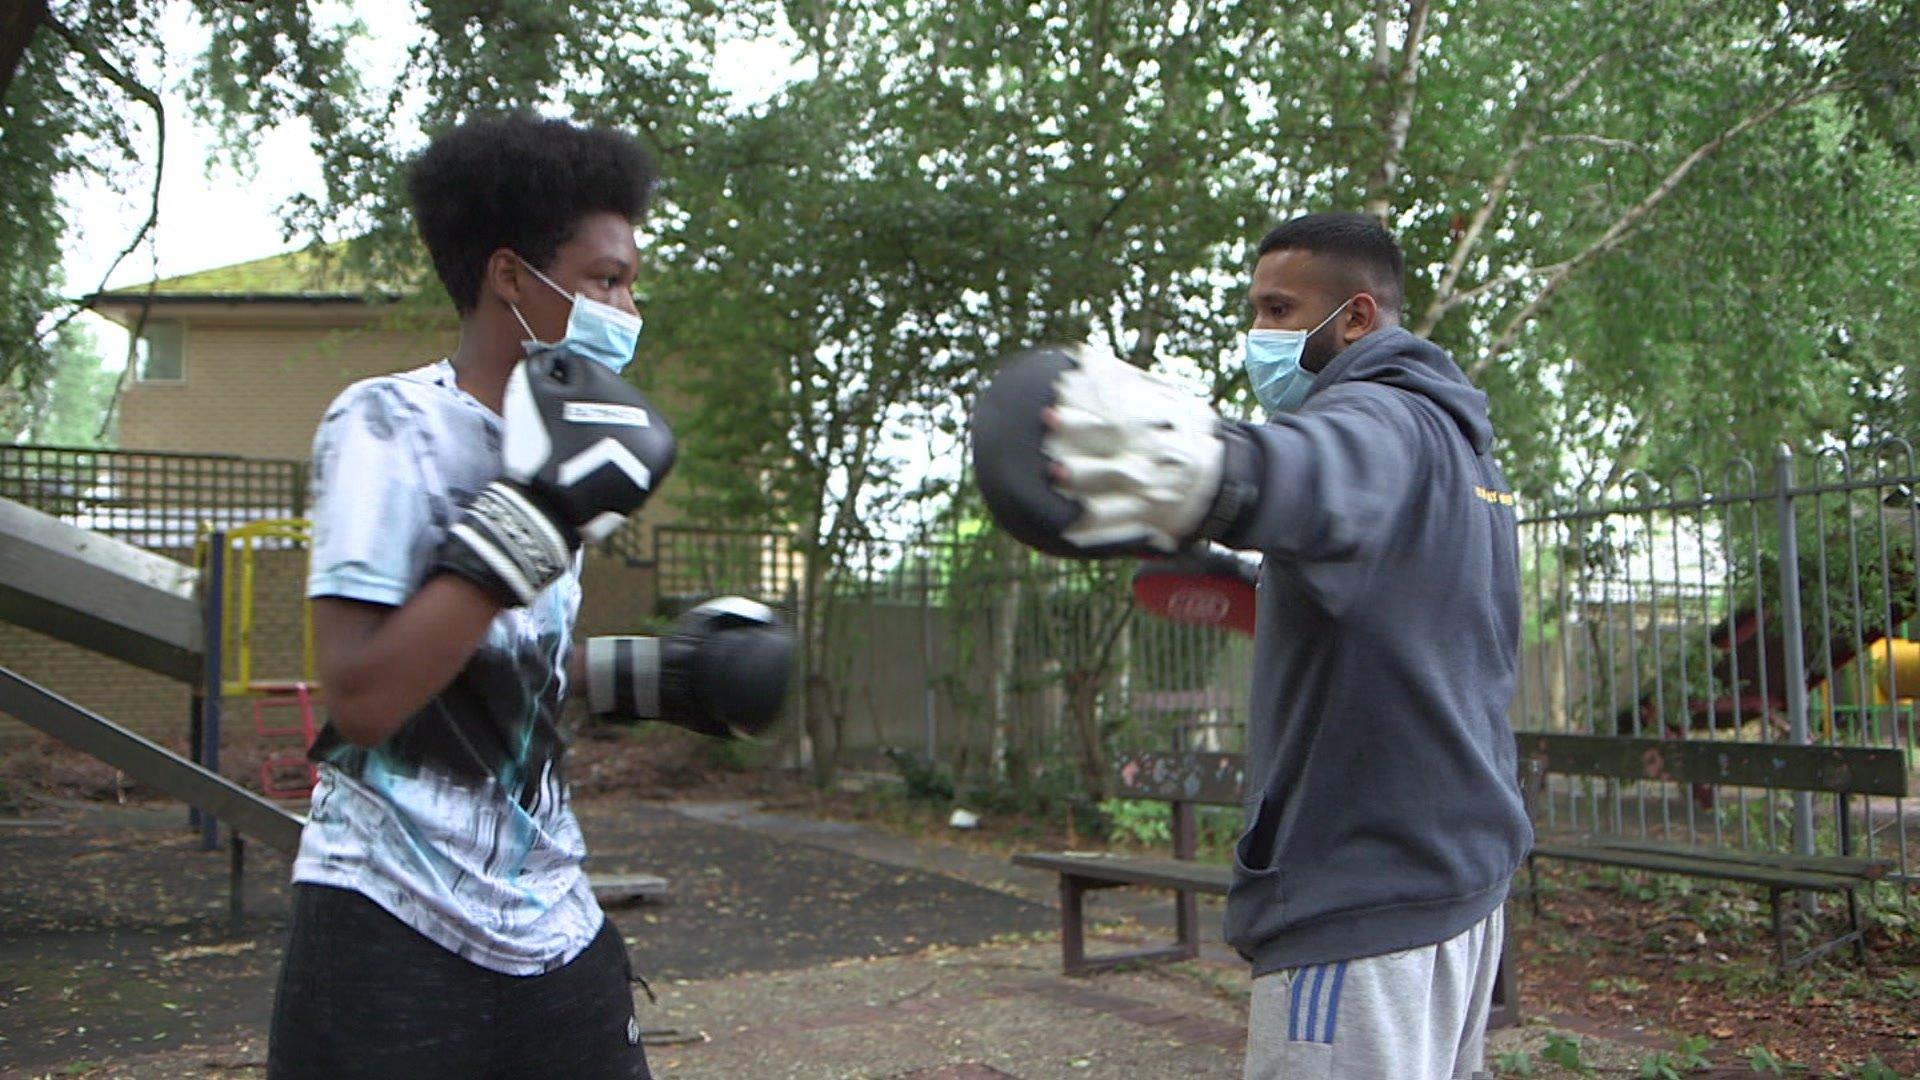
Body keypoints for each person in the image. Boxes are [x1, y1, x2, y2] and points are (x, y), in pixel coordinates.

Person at [267, 113, 790, 1080]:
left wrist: (659, 675)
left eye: (631, 280)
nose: (629, 304)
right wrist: (537, 517)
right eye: (606, 279)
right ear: (511, 276)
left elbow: (497, 664)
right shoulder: (391, 424)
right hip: (390, 919)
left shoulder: (559, 438)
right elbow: (366, 696)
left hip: (547, 916)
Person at [972, 212, 1530, 1079]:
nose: (1258, 334)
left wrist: (1203, 467)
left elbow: (1319, 464)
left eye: (1278, 309)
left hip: (1362, 900)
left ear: (1354, 318)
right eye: (1256, 309)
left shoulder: (1379, 417)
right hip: (1458, 888)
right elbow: (1417, 624)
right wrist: (1256, 578)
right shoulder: (1471, 463)